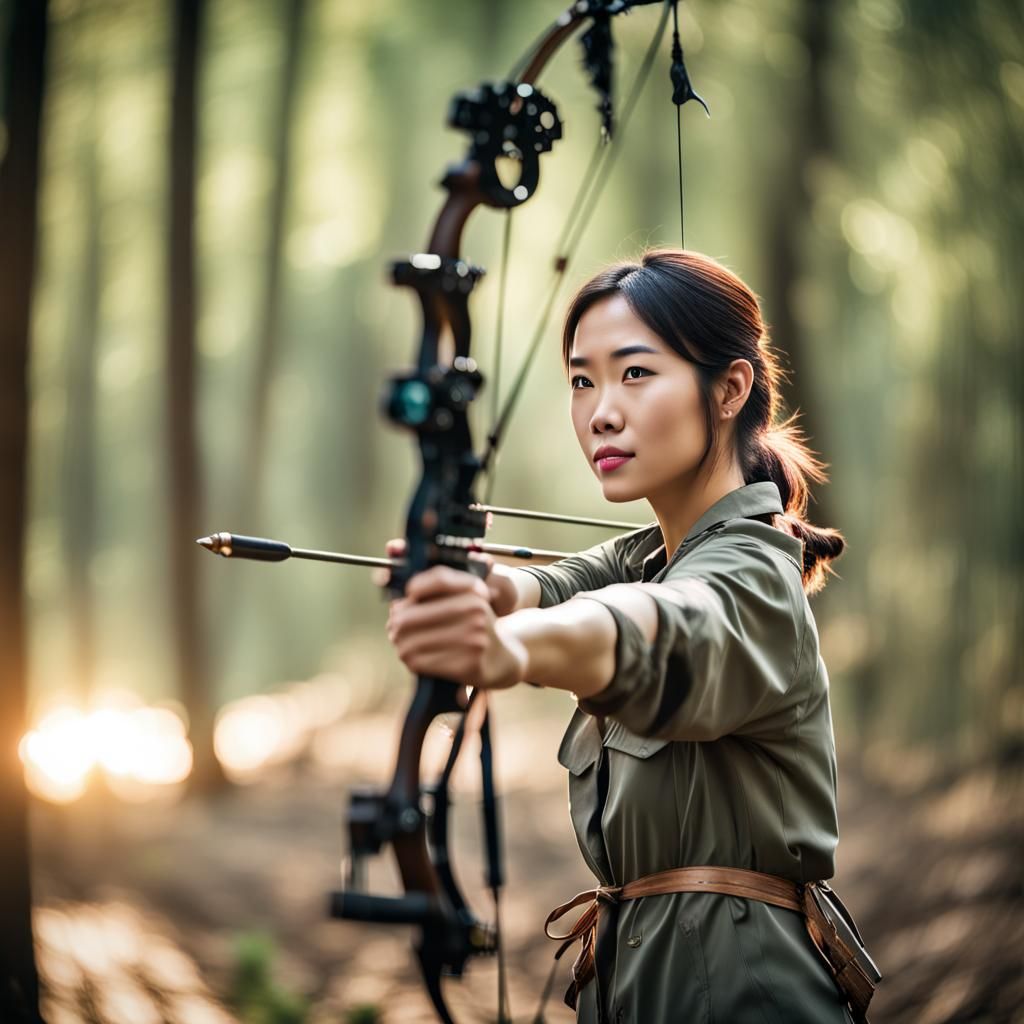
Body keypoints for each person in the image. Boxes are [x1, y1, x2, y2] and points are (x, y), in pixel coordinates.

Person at [385, 249, 869, 1022]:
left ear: (729, 390)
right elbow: (562, 583)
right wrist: (485, 585)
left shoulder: (749, 574)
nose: (601, 410)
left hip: (743, 991)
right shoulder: (654, 555)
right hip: (638, 982)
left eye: (635, 374)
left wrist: (507, 650)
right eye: (582, 380)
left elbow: (652, 627)